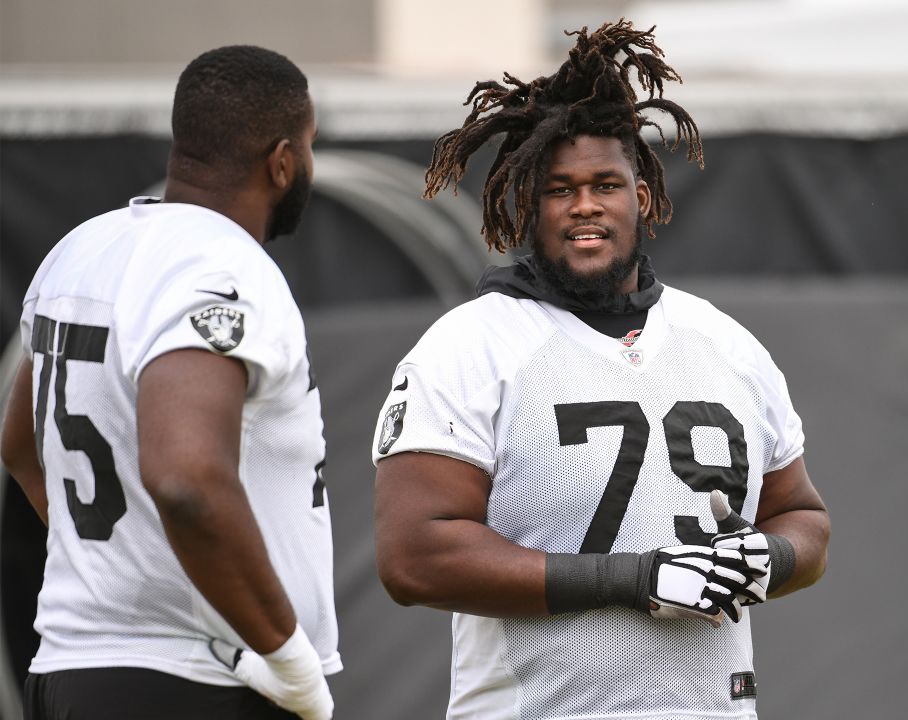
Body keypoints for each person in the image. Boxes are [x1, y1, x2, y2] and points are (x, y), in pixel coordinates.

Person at [371, 20, 829, 719]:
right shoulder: (469, 346)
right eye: (559, 189)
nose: (584, 204)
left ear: (641, 196)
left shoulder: (727, 344)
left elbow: (802, 516)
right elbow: (414, 556)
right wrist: (636, 578)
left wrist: (766, 560)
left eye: (605, 184)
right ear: (528, 203)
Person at [0, 45, 339, 720]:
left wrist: (123, 562)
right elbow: (186, 478)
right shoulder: (224, 266)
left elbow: (18, 444)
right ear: (281, 161)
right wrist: (290, 660)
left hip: (74, 669)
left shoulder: (82, 248)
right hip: (197, 680)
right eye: (307, 147)